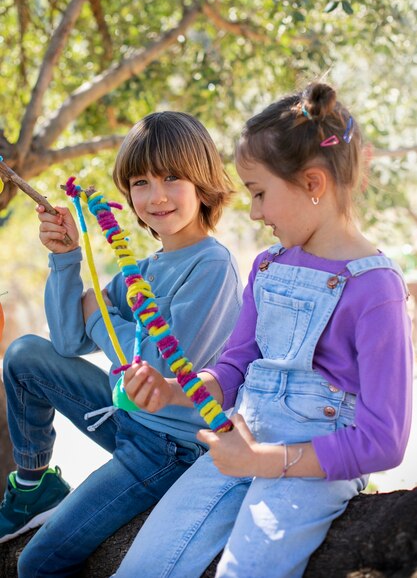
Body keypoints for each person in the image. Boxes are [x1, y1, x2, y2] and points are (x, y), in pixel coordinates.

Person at [112, 83, 413, 578]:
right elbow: (234, 368)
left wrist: (267, 461)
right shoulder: (268, 266)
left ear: (313, 184)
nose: (253, 212)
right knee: (143, 568)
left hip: (312, 467)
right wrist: (171, 390)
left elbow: (385, 440)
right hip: (239, 440)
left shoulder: (376, 290)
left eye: (259, 194)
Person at [0, 111, 243, 576]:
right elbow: (69, 339)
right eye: (140, 182)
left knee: (38, 563)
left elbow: (153, 371)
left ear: (203, 182)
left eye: (172, 177)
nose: (156, 196)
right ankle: (34, 484)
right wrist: (66, 259)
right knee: (26, 355)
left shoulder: (212, 265)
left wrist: (99, 316)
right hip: (129, 418)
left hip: (169, 445)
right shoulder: (147, 268)